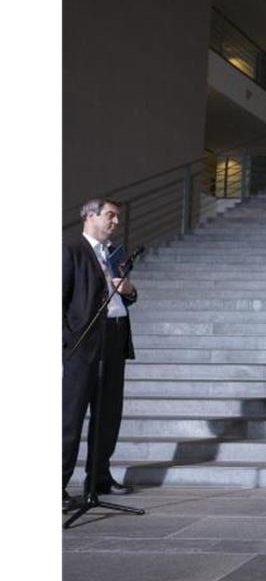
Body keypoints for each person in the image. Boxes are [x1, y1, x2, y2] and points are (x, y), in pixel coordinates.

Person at [62, 198, 138, 511]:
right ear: (90, 216)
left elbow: (130, 295)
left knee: (108, 414)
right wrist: (66, 343)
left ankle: (99, 477)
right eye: (111, 215)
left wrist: (128, 290)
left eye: (117, 217)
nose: (115, 222)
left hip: (115, 337)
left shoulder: (115, 253)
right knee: (71, 416)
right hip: (84, 344)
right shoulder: (71, 250)